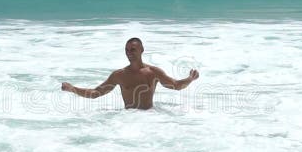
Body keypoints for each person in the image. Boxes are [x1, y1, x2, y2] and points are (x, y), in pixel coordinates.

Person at [61, 37, 199, 110]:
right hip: (128, 121)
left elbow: (176, 85)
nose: (129, 53)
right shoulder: (119, 75)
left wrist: (189, 79)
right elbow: (96, 93)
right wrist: (73, 89)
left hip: (150, 120)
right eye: (127, 50)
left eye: (132, 50)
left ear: (141, 50)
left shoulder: (153, 72)